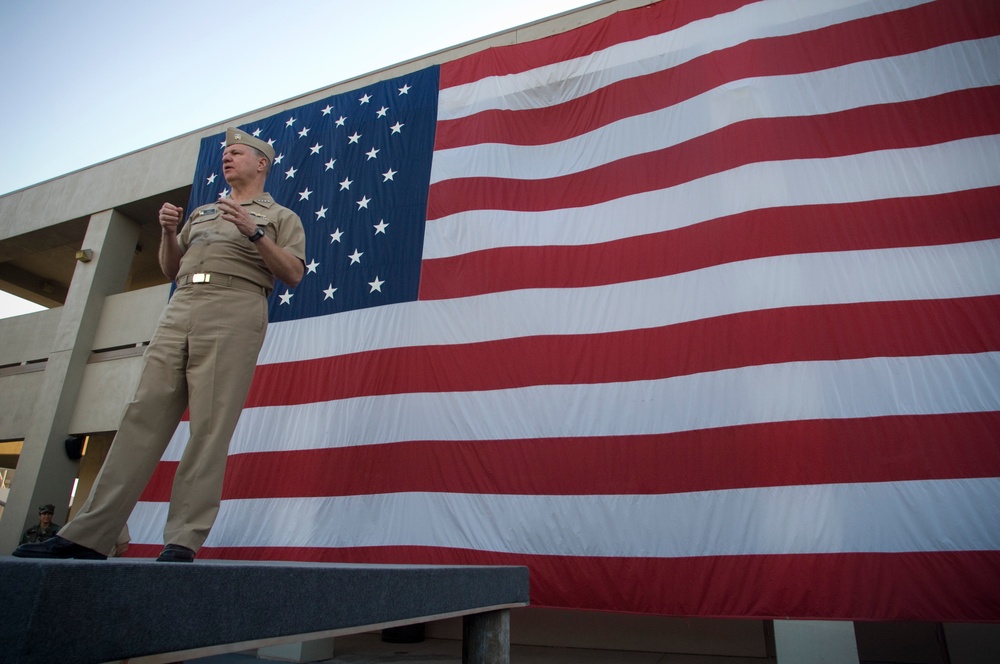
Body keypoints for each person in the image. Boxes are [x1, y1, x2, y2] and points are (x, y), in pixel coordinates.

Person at [14, 128, 306, 562]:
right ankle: (90, 535)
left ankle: (183, 538)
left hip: (235, 307)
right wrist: (169, 233)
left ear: (261, 163)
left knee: (209, 427)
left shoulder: (280, 216)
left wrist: (254, 232)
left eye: (237, 153)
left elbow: (294, 274)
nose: (227, 159)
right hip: (182, 304)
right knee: (140, 418)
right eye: (224, 154)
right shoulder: (205, 212)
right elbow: (171, 268)